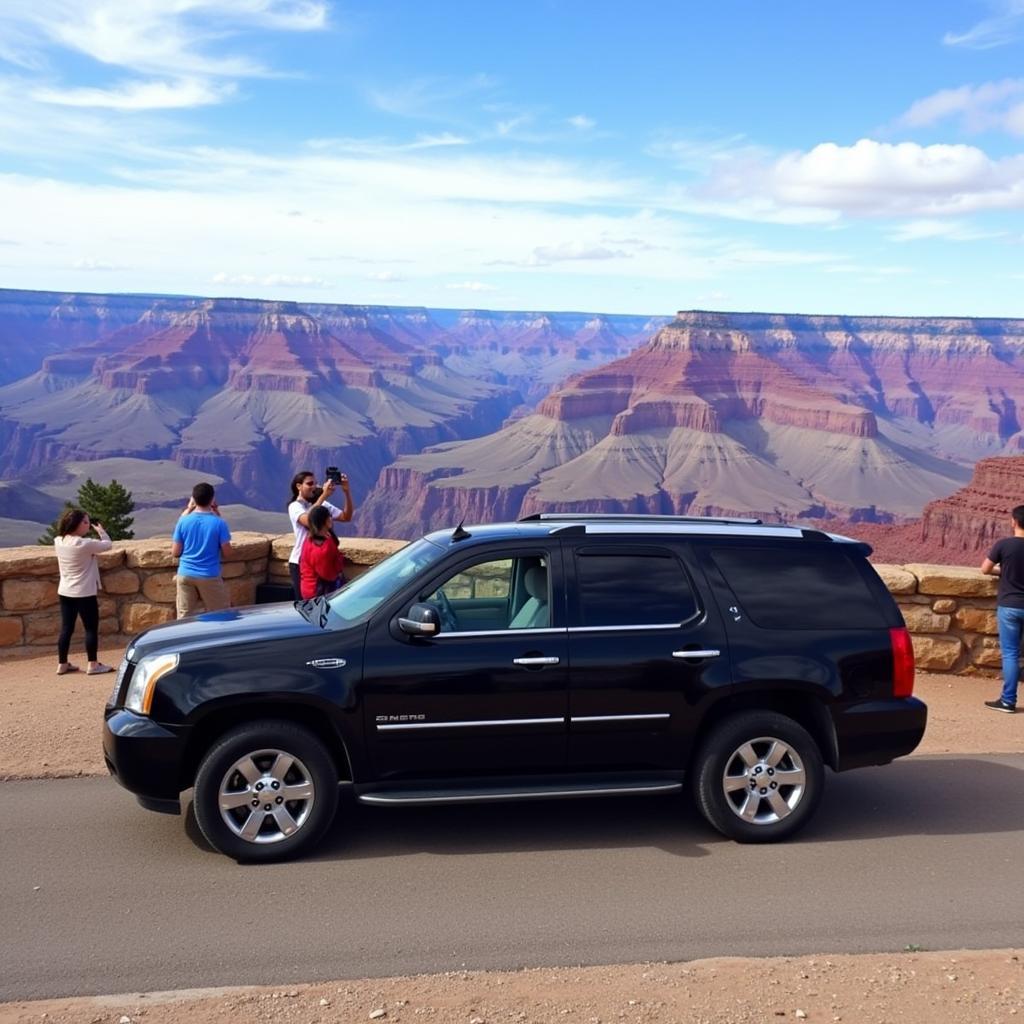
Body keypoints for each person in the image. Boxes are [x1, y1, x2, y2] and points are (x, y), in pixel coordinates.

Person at [54, 508, 114, 676]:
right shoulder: (84, 544)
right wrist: (101, 531)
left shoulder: (59, 540)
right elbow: (107, 545)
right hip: (84, 592)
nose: (88, 525)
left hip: (65, 590)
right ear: (76, 524)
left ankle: (62, 663)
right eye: (86, 522)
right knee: (90, 628)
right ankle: (93, 664)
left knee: (66, 628)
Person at [980, 504, 1024, 713]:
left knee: (1011, 654)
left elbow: (985, 569)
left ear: (1014, 522)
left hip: (1009, 606)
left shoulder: (1004, 545)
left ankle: (1008, 701)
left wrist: (1004, 571)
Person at [287, 469, 354, 599]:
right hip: (300, 562)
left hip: (322, 559)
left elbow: (346, 516)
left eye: (315, 483)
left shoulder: (321, 504)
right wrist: (324, 495)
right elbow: (308, 520)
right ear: (299, 486)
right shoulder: (294, 506)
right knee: (306, 604)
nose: (314, 487)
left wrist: (346, 492)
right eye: (309, 483)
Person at [171, 482, 233, 619]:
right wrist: (217, 513)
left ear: (193, 498)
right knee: (222, 615)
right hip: (209, 575)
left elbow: (175, 552)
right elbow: (228, 553)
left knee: (184, 617)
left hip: (185, 574)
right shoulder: (219, 523)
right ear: (212, 500)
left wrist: (188, 508)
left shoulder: (183, 521)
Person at [298, 505, 347, 599]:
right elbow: (328, 575)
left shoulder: (308, 541)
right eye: (329, 517)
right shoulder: (323, 548)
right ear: (326, 521)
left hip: (307, 589)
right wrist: (340, 560)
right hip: (318, 592)